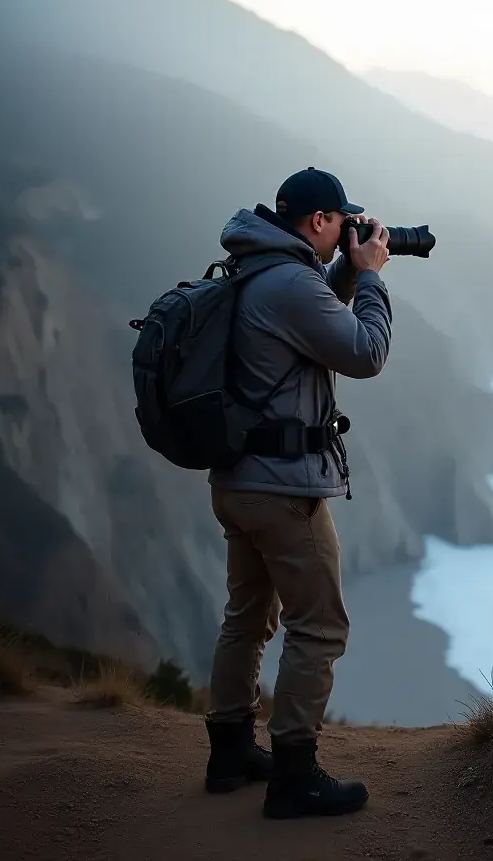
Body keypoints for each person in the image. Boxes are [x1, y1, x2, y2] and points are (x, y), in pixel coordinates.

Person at [201, 166, 392, 820]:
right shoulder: (290, 283)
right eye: (341, 222)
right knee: (320, 625)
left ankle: (228, 750)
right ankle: (294, 774)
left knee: (248, 618)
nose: (347, 231)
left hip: (237, 482)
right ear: (319, 223)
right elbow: (365, 352)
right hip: (285, 491)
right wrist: (369, 277)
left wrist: (346, 269)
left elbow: (309, 309)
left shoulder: (258, 266)